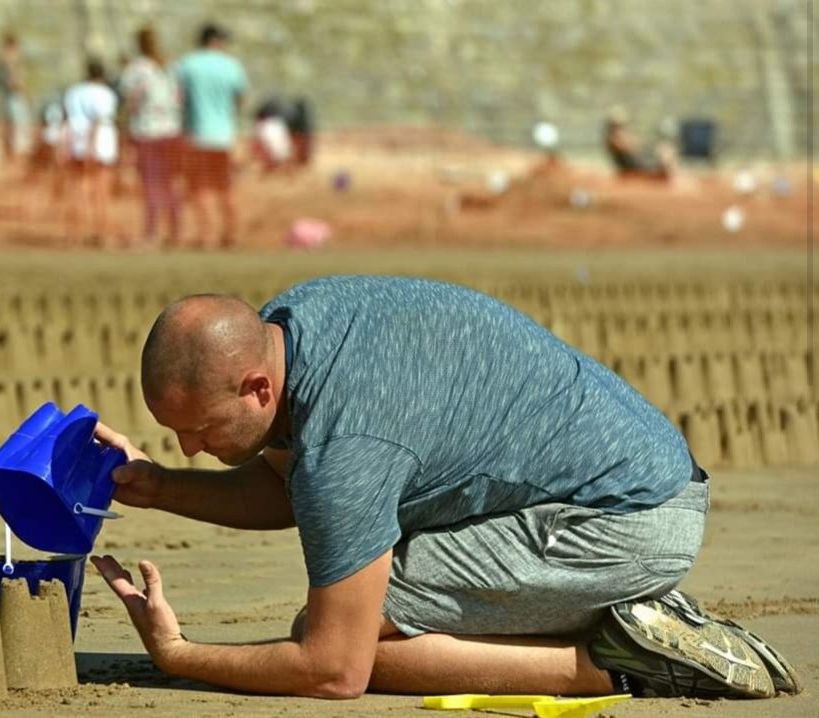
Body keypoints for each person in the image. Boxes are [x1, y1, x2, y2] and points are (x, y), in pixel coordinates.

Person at [91, 275, 799, 701]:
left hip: (624, 520)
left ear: (256, 387)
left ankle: (614, 663)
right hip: (618, 482)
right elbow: (288, 489)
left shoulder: (350, 438)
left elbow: (333, 673)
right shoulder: (295, 325)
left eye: (201, 431)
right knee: (356, 619)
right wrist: (159, 486)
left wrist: (178, 655)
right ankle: (607, 618)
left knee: (331, 634)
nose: (190, 448)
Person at [174, 23, 248, 249]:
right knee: (225, 187)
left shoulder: (186, 64)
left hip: (197, 136)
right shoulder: (232, 66)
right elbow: (240, 100)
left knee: (199, 187)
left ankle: (205, 235)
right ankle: (230, 235)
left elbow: (177, 97)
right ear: (216, 41)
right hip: (224, 136)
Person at [119, 27, 182, 248]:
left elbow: (131, 100)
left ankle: (151, 233)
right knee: (169, 183)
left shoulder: (136, 69)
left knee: (150, 184)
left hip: (147, 133)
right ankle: (175, 232)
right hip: (171, 131)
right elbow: (177, 98)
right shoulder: (167, 67)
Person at [62, 58, 119, 244]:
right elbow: (98, 119)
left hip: (76, 144)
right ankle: (102, 234)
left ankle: (74, 234)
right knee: (101, 192)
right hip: (101, 146)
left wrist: (67, 146)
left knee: (77, 191)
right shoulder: (106, 94)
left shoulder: (73, 92)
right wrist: (92, 147)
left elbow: (68, 121)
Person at [604, 105, 675, 181]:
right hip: (633, 168)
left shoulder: (622, 136)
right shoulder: (614, 139)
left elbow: (636, 145)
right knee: (663, 153)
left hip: (639, 163)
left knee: (664, 150)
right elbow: (627, 148)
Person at [0, 31, 30, 162]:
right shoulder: (8, 58)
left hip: (6, 96)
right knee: (16, 125)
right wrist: (21, 90)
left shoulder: (0, 59)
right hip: (13, 96)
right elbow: (12, 80)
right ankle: (12, 154)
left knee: (9, 125)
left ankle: (8, 153)